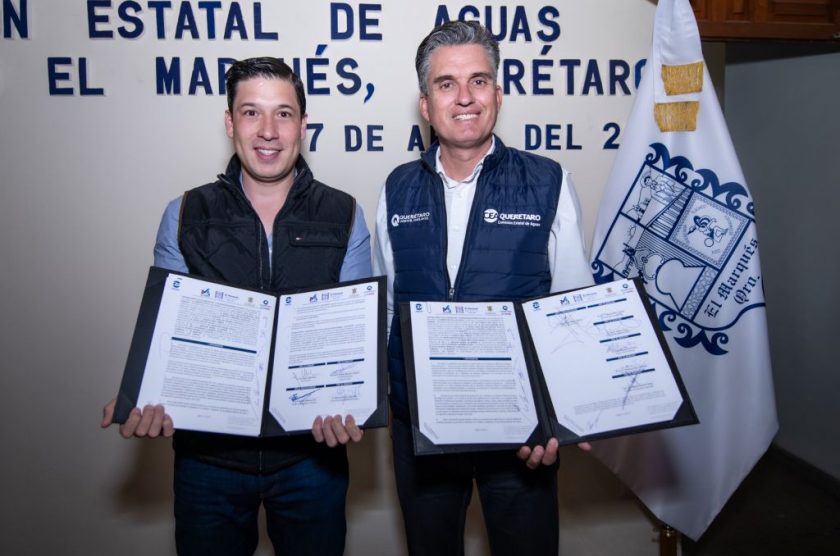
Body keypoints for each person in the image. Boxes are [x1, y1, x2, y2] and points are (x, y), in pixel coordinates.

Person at [101, 57, 371, 556]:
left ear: (303, 125)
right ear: (230, 123)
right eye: (251, 113)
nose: (268, 131)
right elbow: (166, 338)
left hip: (312, 461)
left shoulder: (345, 214)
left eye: (283, 113)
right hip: (209, 464)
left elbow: (355, 344)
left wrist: (350, 404)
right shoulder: (184, 213)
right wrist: (145, 395)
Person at [373, 21, 593, 554]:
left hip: (521, 435)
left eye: (479, 81)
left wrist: (562, 417)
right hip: (421, 430)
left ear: (497, 94)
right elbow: (386, 314)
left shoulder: (549, 182)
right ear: (426, 105)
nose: (465, 97)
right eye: (446, 84)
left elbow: (572, 311)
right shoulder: (397, 188)